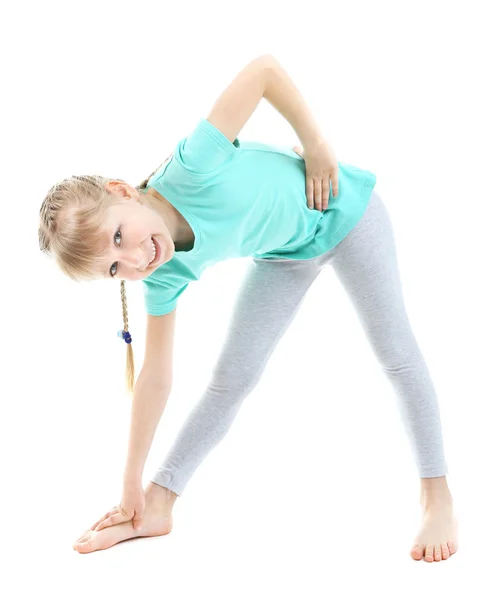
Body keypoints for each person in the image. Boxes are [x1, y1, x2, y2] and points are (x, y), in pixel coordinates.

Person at [38, 54, 458, 560]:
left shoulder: (194, 163)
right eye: (114, 267)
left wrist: (320, 147)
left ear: (123, 192)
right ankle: (159, 503)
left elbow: (263, 71)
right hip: (286, 255)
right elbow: (155, 376)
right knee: (230, 379)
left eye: (120, 236)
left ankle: (438, 496)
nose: (134, 259)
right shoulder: (163, 275)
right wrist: (131, 481)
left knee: (396, 353)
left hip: (347, 213)